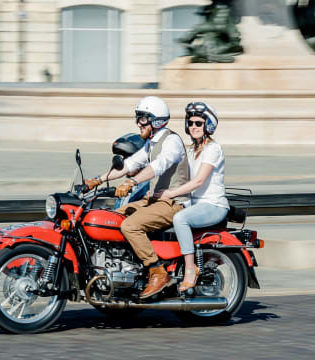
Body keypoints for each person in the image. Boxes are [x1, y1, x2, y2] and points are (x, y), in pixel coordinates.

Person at [84, 96, 189, 299]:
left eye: (142, 119)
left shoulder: (172, 141)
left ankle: (157, 271)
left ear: (156, 121)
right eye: (138, 118)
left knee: (130, 226)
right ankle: (125, 270)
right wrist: (96, 180)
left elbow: (158, 165)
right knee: (112, 219)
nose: (138, 123)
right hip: (155, 201)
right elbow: (130, 165)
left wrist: (131, 183)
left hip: (174, 202)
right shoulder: (151, 144)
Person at [154, 102, 229, 292]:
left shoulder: (213, 149)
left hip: (213, 205)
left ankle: (190, 269)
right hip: (194, 205)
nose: (193, 127)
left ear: (208, 126)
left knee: (180, 218)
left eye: (198, 123)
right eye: (191, 122)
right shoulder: (189, 150)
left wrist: (170, 194)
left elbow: (198, 181)